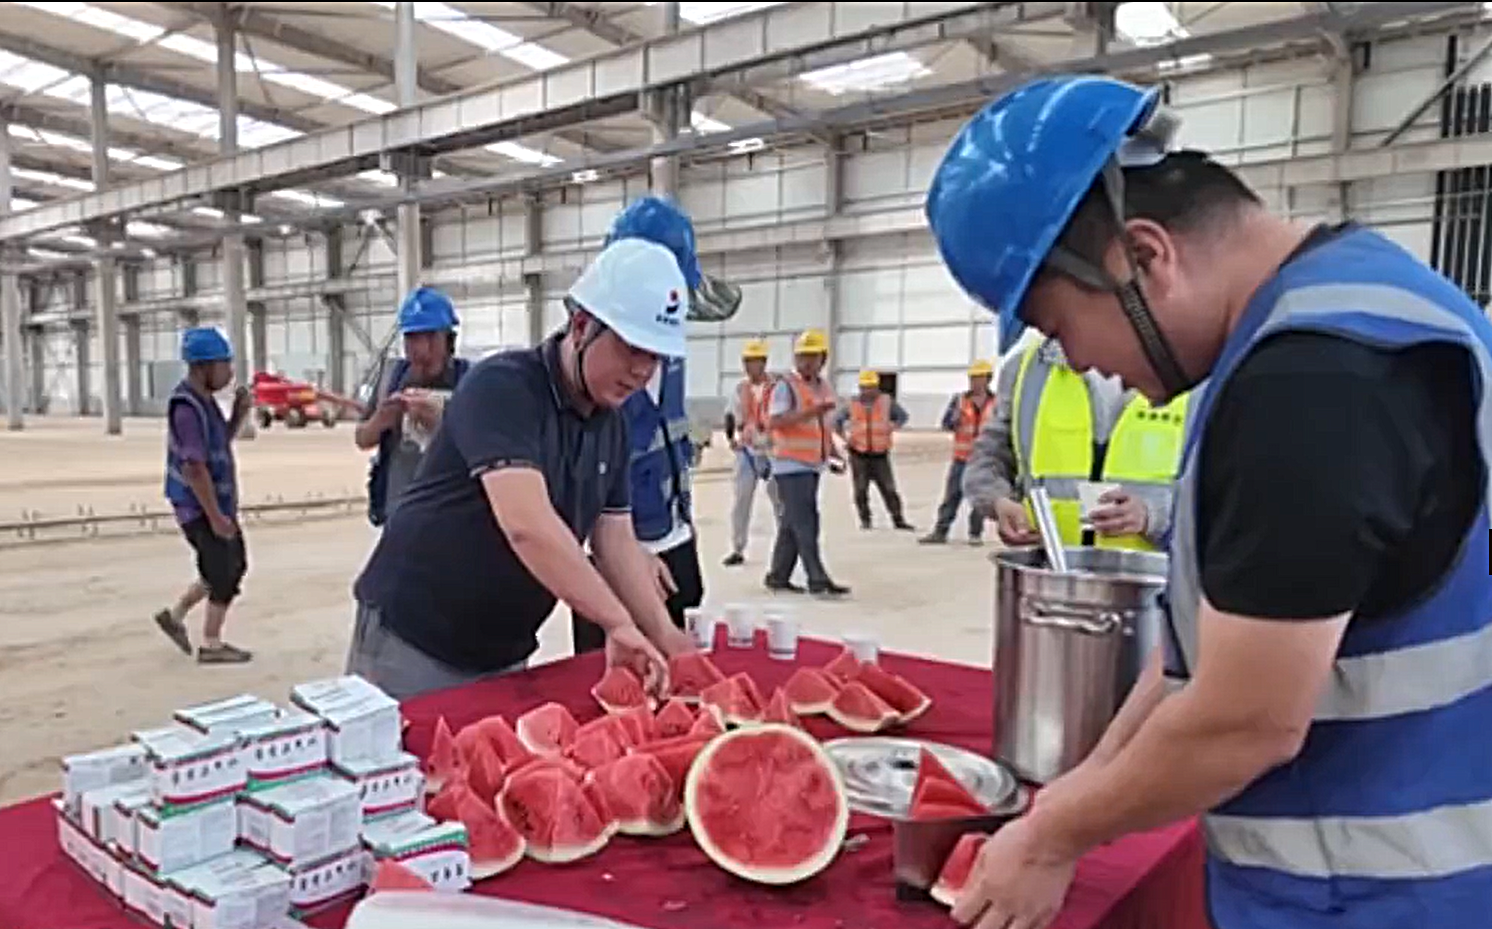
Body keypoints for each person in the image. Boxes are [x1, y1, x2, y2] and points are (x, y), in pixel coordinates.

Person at [927, 73, 1492, 929]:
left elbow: (1246, 720)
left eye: (1057, 327)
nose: (1075, 365)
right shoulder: (1340, 305)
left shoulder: (1311, 381)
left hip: (1386, 898)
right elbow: (1215, 642)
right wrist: (1073, 804)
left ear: (1145, 256)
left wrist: (1051, 837)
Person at [346, 237, 697, 700]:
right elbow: (526, 525)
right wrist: (616, 622)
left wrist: (664, 633)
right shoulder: (504, 387)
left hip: (503, 649)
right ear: (581, 325)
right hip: (415, 639)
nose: (641, 371)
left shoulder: (610, 424)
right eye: (631, 347)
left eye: (654, 356)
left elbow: (614, 540)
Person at [571, 196, 718, 654]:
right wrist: (629, 553)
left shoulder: (668, 352)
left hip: (675, 534)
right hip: (616, 553)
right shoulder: (587, 369)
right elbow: (582, 484)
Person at [961, 334, 1187, 552]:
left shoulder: (1190, 364)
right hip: (1054, 574)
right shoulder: (1028, 368)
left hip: (1155, 580)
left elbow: (1216, 490)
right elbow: (989, 455)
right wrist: (998, 501)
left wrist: (1154, 513)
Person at [152, 327, 254, 665]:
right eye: (225, 364)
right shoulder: (186, 408)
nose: (230, 373)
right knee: (224, 568)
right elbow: (195, 467)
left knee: (225, 565)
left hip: (213, 505)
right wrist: (215, 517)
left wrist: (238, 414)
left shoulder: (204, 403)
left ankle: (175, 614)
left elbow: (217, 443)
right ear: (203, 366)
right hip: (198, 507)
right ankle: (211, 644)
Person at [356, 286, 471, 528]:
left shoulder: (470, 382)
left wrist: (443, 422)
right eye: (412, 339)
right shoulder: (390, 378)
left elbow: (486, 444)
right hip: (399, 514)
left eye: (430, 338)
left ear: (449, 340)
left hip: (454, 516)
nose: (420, 350)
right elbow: (362, 439)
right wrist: (381, 421)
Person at [764, 329, 850, 597]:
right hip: (789, 464)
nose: (807, 362)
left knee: (792, 522)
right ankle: (817, 578)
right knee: (806, 521)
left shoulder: (822, 386)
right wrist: (810, 412)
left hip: (812, 463)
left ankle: (778, 576)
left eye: (813, 357)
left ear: (823, 358)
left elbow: (821, 426)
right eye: (802, 357)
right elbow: (775, 421)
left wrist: (832, 451)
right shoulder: (786, 386)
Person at [919, 359, 996, 545]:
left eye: (979, 378)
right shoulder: (959, 400)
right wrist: (953, 420)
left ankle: (975, 534)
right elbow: (945, 424)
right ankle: (940, 531)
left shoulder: (997, 402)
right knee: (952, 496)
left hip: (984, 459)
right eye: (973, 378)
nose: (975, 382)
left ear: (988, 380)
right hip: (961, 458)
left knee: (980, 499)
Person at [722, 339, 781, 567]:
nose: (750, 367)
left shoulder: (777, 388)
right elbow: (731, 417)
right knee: (741, 500)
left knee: (780, 502)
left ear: (764, 363)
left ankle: (785, 547)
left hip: (773, 451)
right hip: (747, 452)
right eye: (747, 362)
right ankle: (737, 548)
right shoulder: (740, 389)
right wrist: (732, 440)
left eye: (754, 362)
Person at [833, 369, 914, 531]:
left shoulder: (886, 402)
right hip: (858, 453)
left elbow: (903, 416)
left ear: (877, 387)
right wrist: (845, 439)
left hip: (880, 454)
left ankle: (898, 519)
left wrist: (892, 426)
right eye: (864, 387)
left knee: (889, 489)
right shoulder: (852, 404)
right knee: (860, 490)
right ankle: (865, 520)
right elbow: (836, 421)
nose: (868, 391)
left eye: (871, 387)